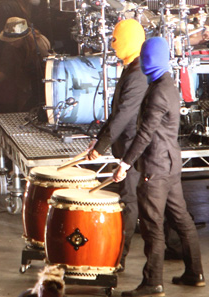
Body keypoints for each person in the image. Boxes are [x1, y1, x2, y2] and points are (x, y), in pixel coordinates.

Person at [113, 37, 205, 297]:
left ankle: (153, 282)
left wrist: (125, 163)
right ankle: (194, 272)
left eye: (144, 56)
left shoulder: (156, 91)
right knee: (181, 219)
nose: (142, 61)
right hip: (171, 164)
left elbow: (144, 133)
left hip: (155, 168)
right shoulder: (167, 85)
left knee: (152, 225)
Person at [70, 18, 147, 271]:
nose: (112, 44)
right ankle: (175, 246)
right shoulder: (131, 67)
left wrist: (101, 146)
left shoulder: (138, 74)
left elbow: (124, 115)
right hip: (127, 143)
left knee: (129, 200)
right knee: (139, 199)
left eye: (115, 39)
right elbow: (116, 114)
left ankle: (118, 258)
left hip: (133, 147)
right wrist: (99, 139)